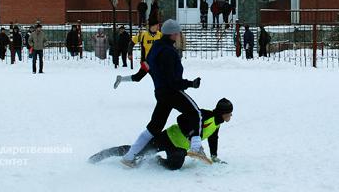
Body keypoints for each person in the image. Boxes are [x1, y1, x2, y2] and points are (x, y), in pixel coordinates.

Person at [120, 19, 204, 168]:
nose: (179, 36)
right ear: (172, 34)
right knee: (195, 113)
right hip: (172, 91)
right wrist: (190, 83)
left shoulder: (155, 48)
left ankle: (129, 157)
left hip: (160, 93)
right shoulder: (168, 52)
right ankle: (196, 148)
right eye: (178, 33)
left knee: (153, 128)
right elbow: (172, 80)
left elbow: (148, 69)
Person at [89, 98, 234, 169]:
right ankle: (101, 155)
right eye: (229, 114)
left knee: (175, 166)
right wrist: (191, 136)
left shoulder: (217, 124)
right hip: (168, 137)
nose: (230, 116)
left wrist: (214, 157)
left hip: (179, 148)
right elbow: (181, 118)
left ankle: (156, 160)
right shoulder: (204, 115)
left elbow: (213, 140)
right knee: (138, 151)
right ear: (223, 113)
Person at [114, 21, 162, 86]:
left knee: (138, 77)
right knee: (158, 78)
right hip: (146, 62)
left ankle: (121, 79)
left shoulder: (160, 35)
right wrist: (129, 53)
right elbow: (132, 43)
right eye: (156, 25)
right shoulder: (143, 35)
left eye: (158, 26)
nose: (158, 27)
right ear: (151, 26)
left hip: (157, 62)